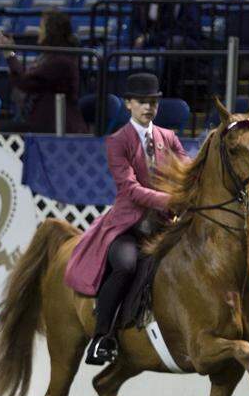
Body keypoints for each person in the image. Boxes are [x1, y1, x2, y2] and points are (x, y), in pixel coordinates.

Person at [64, 73, 188, 366]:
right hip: (128, 228)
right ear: (129, 105)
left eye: (153, 102)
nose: (148, 107)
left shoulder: (168, 137)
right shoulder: (117, 141)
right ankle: (101, 337)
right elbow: (130, 189)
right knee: (125, 265)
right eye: (142, 102)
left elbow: (187, 169)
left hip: (163, 226)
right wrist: (169, 200)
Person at [0, 10, 88, 134]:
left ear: (52, 31)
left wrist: (10, 54)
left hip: (58, 126)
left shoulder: (62, 61)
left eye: (42, 27)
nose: (40, 31)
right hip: (42, 122)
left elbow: (25, 81)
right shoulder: (50, 56)